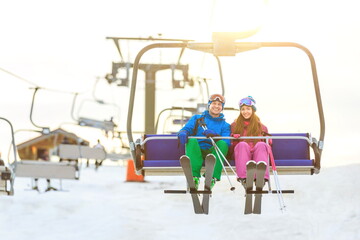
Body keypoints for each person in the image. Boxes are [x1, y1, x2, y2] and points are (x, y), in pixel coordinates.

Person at [177, 94, 231, 190]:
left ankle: (212, 177)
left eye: (219, 104)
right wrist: (183, 132)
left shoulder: (225, 125)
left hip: (212, 150)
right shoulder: (198, 119)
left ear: (222, 107)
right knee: (192, 140)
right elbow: (187, 128)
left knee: (222, 144)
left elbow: (226, 141)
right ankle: (194, 177)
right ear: (209, 105)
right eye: (214, 103)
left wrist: (216, 136)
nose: (216, 106)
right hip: (197, 151)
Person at [230, 96, 272, 187]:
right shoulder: (234, 125)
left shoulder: (261, 126)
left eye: (248, 109)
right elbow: (231, 144)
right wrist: (233, 138)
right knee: (242, 145)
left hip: (256, 151)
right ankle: (244, 177)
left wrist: (267, 139)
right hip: (242, 152)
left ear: (253, 110)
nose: (245, 112)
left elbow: (268, 142)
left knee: (261, 144)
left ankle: (261, 177)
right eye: (243, 109)